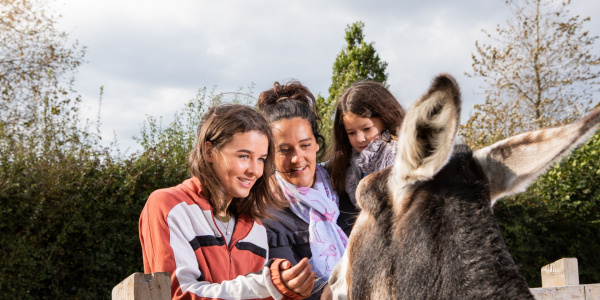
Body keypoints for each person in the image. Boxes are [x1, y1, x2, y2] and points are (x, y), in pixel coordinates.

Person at [139, 104, 315, 300]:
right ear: (209, 152)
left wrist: (283, 290)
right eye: (244, 156)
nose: (255, 170)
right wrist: (265, 284)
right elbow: (178, 294)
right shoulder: (169, 205)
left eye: (261, 159)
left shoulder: (254, 226)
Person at [257, 81, 358, 300]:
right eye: (284, 150)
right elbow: (295, 283)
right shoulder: (267, 215)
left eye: (304, 145)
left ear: (316, 144)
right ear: (268, 154)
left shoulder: (347, 189)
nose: (297, 158)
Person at [327, 81, 406, 206]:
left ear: (385, 119)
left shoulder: (404, 159)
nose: (360, 139)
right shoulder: (344, 165)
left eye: (367, 129)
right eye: (351, 132)